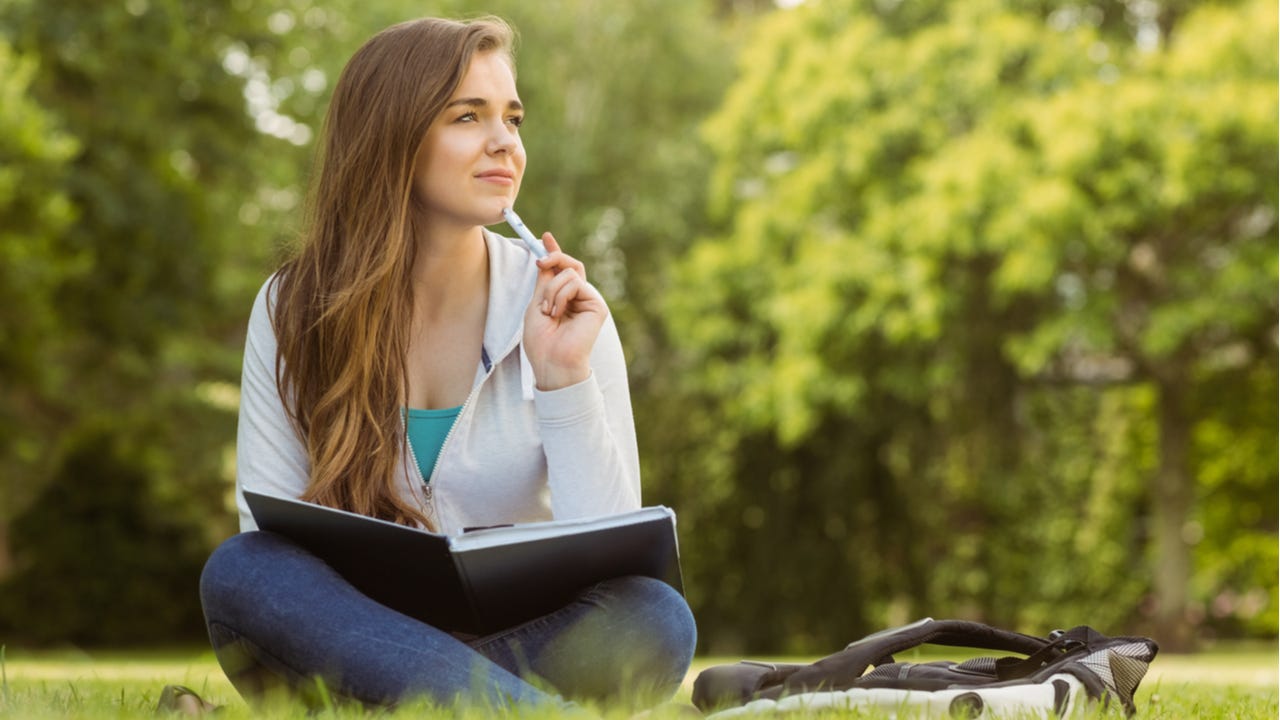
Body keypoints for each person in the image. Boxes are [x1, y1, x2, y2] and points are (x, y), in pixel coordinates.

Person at [198, 16, 696, 714]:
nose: (504, 143)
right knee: (244, 573)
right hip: (355, 631)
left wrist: (563, 378)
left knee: (655, 617)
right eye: (468, 116)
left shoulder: (564, 311)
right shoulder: (293, 307)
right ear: (390, 138)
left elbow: (614, 561)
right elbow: (276, 549)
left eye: (513, 119)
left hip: (518, 636)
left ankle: (384, 704)